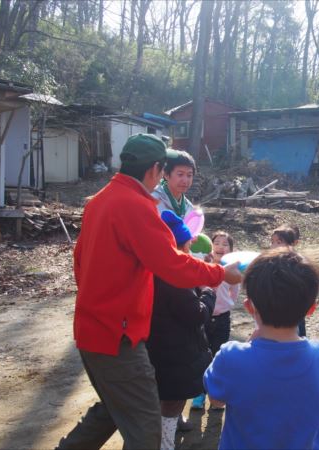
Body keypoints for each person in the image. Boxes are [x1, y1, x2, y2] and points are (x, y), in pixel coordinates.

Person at [56, 134, 241, 450]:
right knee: (146, 432)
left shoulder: (100, 200)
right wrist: (220, 274)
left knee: (111, 412)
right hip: (117, 337)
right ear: (157, 169)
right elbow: (172, 264)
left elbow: (80, 261)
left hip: (95, 329)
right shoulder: (136, 206)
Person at [204, 248, 319, 450]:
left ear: (249, 307)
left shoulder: (232, 357)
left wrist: (249, 343)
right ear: (311, 309)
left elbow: (216, 400)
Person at [146, 210, 216, 450]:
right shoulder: (172, 276)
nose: (189, 250)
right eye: (186, 246)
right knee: (172, 401)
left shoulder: (151, 267)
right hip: (174, 350)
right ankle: (165, 444)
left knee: (162, 398)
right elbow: (196, 314)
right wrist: (207, 291)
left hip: (156, 344)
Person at [190, 231, 240, 411]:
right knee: (202, 355)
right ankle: (199, 395)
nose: (220, 246)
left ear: (232, 250)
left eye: (225, 244)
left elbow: (235, 291)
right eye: (217, 242)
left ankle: (215, 395)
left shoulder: (231, 270)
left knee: (218, 355)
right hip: (202, 316)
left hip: (222, 318)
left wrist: (228, 304)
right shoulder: (203, 266)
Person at [270, 224, 307, 337]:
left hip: (294, 310)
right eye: (272, 242)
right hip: (273, 309)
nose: (273, 246)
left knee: (296, 337)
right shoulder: (270, 263)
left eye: (279, 242)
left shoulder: (299, 263)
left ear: (293, 244)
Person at [152, 149, 196, 218]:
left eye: (189, 175)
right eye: (180, 174)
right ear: (166, 174)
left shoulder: (189, 207)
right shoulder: (153, 200)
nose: (185, 180)